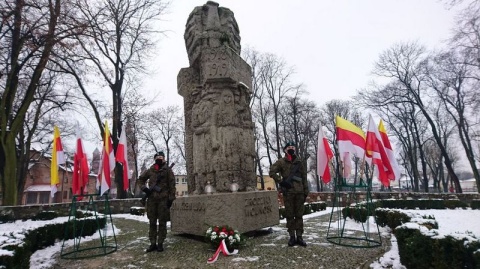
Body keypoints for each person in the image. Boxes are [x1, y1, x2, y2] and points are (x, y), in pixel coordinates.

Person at [269, 141, 309, 247]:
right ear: (285, 149)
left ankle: (299, 236)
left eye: (293, 147)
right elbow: (271, 172)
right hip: (288, 193)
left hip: (300, 192)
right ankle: (292, 236)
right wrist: (281, 181)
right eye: (289, 147)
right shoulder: (281, 162)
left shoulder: (299, 161)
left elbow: (304, 177)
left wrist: (306, 191)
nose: (291, 148)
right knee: (290, 215)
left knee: (299, 216)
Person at [137, 151, 176, 252]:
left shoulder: (167, 170)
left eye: (161, 157)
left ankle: (160, 243)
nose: (159, 158)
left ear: (164, 159)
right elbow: (140, 180)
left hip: (163, 200)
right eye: (157, 157)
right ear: (154, 159)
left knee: (162, 222)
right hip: (151, 200)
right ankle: (153, 243)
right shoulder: (150, 170)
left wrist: (171, 199)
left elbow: (172, 185)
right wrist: (144, 188)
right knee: (152, 222)